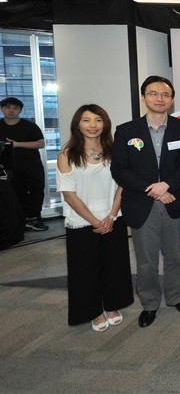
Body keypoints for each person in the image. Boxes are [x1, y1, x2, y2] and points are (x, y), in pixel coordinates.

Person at [111, 76, 180, 328]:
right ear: (143, 97)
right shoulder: (126, 130)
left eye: (165, 95)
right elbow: (120, 170)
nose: (160, 99)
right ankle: (149, 303)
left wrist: (167, 185)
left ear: (171, 100)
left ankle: (176, 296)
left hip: (174, 201)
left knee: (174, 256)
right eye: (153, 93)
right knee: (146, 258)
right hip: (141, 203)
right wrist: (155, 189)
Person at [57, 104, 134, 332]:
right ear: (77, 124)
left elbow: (123, 185)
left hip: (113, 217)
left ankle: (112, 306)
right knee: (85, 269)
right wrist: (95, 221)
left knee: (114, 265)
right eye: (87, 120)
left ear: (105, 124)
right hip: (82, 221)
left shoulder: (115, 151)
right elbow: (70, 196)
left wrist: (110, 216)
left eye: (98, 120)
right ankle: (93, 311)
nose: (92, 125)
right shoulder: (67, 155)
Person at [0, 96, 48, 231]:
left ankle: (34, 218)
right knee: (15, 192)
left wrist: (16, 144)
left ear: (20, 110)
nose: (11, 110)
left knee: (36, 191)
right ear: (2, 109)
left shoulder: (30, 126)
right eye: (8, 107)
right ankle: (19, 220)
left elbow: (41, 143)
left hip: (31, 165)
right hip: (8, 166)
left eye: (15, 108)